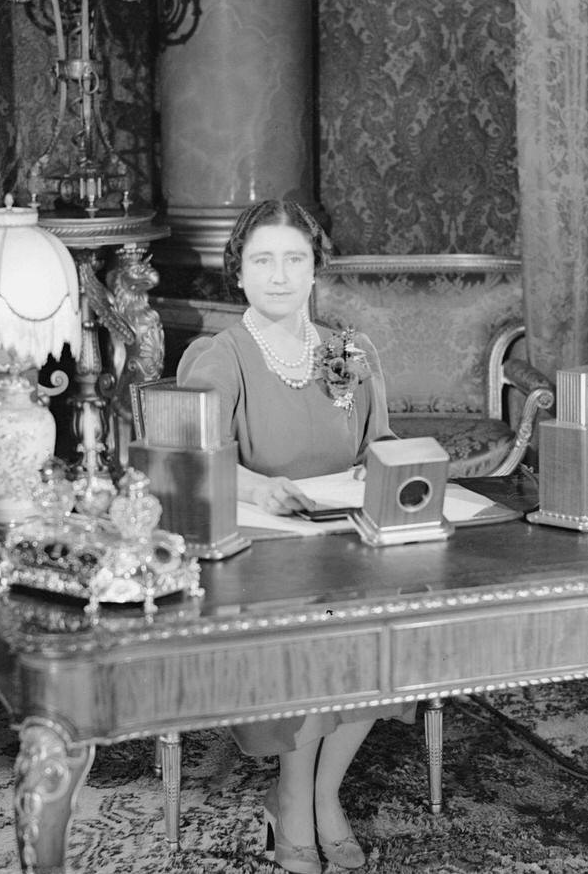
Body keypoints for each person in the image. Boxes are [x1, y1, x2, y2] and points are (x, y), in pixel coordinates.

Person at [176, 200, 412, 874]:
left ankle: (323, 789)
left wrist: (384, 472)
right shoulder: (221, 356)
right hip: (262, 552)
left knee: (390, 626)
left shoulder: (351, 351)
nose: (279, 276)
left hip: (347, 543)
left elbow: (382, 444)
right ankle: (290, 794)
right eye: (262, 261)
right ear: (239, 273)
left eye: (294, 259)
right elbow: (194, 458)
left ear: (315, 268)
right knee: (310, 635)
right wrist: (259, 488)